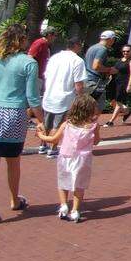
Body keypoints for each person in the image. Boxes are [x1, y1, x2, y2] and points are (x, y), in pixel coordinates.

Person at [0, 24, 42, 224]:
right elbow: (33, 97)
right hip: (13, 113)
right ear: (20, 40)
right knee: (13, 160)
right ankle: (14, 199)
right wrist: (41, 120)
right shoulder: (28, 63)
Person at [34, 93, 99, 223]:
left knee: (63, 181)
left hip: (65, 156)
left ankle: (64, 206)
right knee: (79, 185)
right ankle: (75, 210)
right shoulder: (93, 126)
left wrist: (40, 135)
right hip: (83, 159)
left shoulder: (67, 124)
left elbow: (53, 139)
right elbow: (96, 141)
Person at [40, 39, 87, 157]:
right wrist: (81, 98)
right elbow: (79, 83)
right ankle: (53, 149)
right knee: (58, 125)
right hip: (65, 97)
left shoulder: (54, 58)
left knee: (47, 123)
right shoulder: (77, 60)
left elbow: (46, 75)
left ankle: (43, 145)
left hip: (49, 94)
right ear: (76, 46)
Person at [82, 31, 118, 110]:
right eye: (114, 39)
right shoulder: (102, 49)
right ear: (111, 39)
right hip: (96, 82)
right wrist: (109, 70)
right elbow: (96, 66)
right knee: (98, 106)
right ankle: (91, 122)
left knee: (85, 104)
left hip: (87, 79)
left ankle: (84, 121)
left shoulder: (92, 48)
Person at [103, 44, 131, 127]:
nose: (125, 53)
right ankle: (127, 111)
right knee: (112, 102)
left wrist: (129, 85)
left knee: (118, 102)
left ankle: (111, 121)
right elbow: (115, 70)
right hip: (115, 82)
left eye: (127, 51)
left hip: (123, 83)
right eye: (124, 51)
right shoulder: (119, 60)